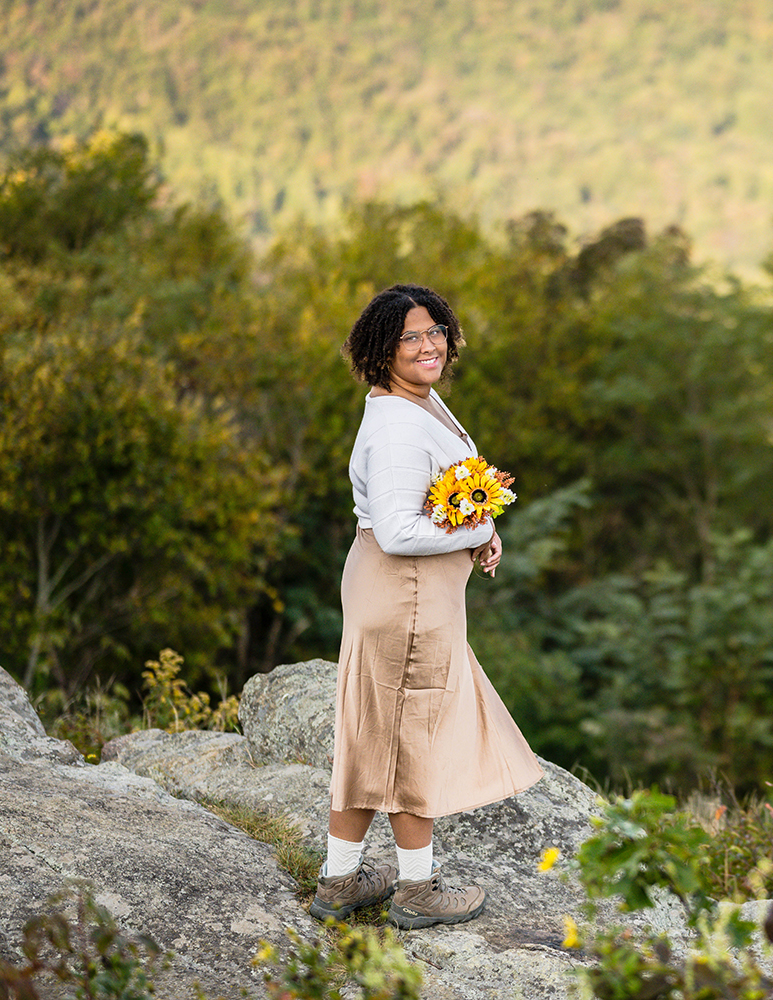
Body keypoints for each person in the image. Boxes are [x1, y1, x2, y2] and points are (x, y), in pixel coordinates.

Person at [310, 283, 543, 929]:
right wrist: (479, 530)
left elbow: (427, 508)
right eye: (410, 336)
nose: (428, 344)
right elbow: (398, 531)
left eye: (435, 329)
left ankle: (341, 880)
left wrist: (477, 526)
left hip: (411, 593)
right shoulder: (395, 428)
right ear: (381, 348)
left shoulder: (416, 400)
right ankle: (416, 890)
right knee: (409, 737)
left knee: (378, 734)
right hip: (405, 595)